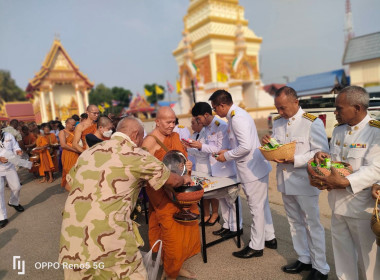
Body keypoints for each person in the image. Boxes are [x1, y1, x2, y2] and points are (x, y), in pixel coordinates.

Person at [59, 117, 192, 279]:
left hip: (71, 242)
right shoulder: (136, 155)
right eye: (141, 138)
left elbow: (68, 185)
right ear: (135, 135)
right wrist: (184, 179)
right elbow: (173, 180)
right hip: (110, 242)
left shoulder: (89, 152)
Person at [312, 86, 380, 280]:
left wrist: (344, 181)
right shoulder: (340, 130)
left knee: (370, 262)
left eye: (339, 108)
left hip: (361, 207)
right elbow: (336, 162)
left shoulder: (375, 131)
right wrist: (323, 158)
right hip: (337, 204)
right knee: (342, 256)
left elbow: (376, 168)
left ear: (357, 107)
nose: (335, 112)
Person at [262, 86, 330, 280]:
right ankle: (304, 258)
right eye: (277, 108)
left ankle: (321, 267)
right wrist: (269, 144)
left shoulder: (311, 122)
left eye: (283, 108)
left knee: (312, 224)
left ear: (295, 102)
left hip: (304, 182)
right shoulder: (278, 122)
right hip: (285, 181)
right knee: (294, 223)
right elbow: (278, 145)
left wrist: (296, 160)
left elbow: (322, 153)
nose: (280, 113)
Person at [211, 89, 276, 258]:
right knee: (263, 206)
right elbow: (241, 144)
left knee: (256, 208)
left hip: (251, 170)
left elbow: (246, 147)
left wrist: (227, 156)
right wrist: (229, 150)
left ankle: (256, 246)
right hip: (255, 167)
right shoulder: (236, 115)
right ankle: (269, 238)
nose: (215, 112)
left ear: (222, 105)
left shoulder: (237, 118)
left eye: (215, 108)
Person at [142, 107, 200, 280]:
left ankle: (174, 265)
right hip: (160, 192)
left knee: (187, 224)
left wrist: (187, 166)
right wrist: (167, 183)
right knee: (171, 232)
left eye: (174, 121)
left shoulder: (175, 136)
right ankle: (171, 272)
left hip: (181, 189)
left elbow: (180, 160)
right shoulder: (148, 143)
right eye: (168, 122)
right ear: (157, 122)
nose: (172, 125)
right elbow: (145, 173)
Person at [187, 102, 242, 235]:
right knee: (222, 200)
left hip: (225, 168)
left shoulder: (221, 126)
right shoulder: (207, 128)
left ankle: (236, 227)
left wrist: (200, 146)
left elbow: (220, 150)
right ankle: (228, 225)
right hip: (215, 169)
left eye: (198, 119)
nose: (198, 122)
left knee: (231, 200)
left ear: (206, 115)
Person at [0, 130, 24, 228]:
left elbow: (15, 146)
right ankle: (2, 217)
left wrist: (18, 151)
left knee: (17, 187)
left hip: (10, 166)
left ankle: (13, 202)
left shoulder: (8, 135)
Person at [58, 118, 79, 190]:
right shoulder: (62, 132)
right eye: (73, 125)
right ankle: (70, 189)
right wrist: (76, 150)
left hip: (77, 155)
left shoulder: (76, 131)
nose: (74, 127)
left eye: (75, 125)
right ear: (67, 124)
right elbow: (63, 145)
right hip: (68, 155)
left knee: (77, 172)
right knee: (69, 171)